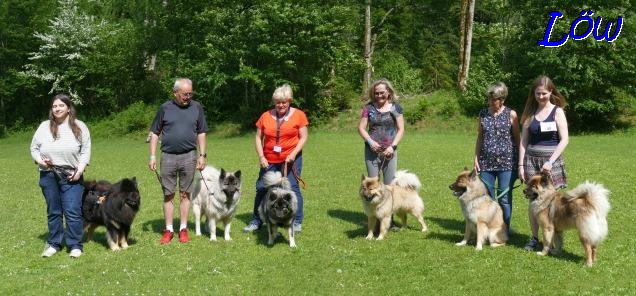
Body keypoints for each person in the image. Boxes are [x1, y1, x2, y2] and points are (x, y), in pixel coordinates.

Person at [30, 94, 91, 258]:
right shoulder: (44, 126)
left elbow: (85, 151)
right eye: (54, 106)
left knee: (72, 211)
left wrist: (79, 170)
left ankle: (75, 245)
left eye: (61, 105)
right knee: (54, 211)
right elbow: (34, 148)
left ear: (68, 108)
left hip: (71, 174)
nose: (57, 108)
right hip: (48, 174)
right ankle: (54, 243)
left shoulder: (79, 127)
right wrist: (40, 161)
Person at [148, 78, 208, 244]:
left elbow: (202, 132)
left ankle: (183, 228)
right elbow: (154, 133)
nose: (188, 97)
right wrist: (152, 156)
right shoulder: (165, 108)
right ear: (175, 93)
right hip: (167, 156)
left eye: (190, 93)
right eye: (184, 94)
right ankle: (168, 230)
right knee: (168, 194)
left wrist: (202, 155)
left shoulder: (197, 107)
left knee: (185, 194)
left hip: (189, 156)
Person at [243, 84, 309, 234]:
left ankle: (296, 221)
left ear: (289, 101)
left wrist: (293, 154)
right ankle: (256, 220)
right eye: (278, 102)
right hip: (269, 159)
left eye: (284, 102)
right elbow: (258, 138)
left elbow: (304, 137)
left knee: (291, 187)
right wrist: (261, 157)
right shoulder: (265, 116)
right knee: (261, 188)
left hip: (291, 159)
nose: (280, 105)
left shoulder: (299, 115)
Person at [518, 75, 569, 251]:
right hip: (531, 161)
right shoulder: (529, 114)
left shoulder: (558, 112)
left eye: (544, 93)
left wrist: (550, 161)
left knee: (552, 204)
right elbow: (523, 142)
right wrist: (521, 165)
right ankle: (534, 238)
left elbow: (565, 140)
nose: (541, 97)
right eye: (538, 93)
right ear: (534, 94)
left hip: (551, 163)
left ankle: (554, 239)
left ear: (551, 92)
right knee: (533, 203)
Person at [473, 82, 520, 234]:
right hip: (486, 163)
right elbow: (480, 137)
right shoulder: (483, 114)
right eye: (489, 99)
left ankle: (504, 229)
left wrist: (520, 163)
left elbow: (517, 139)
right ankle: (488, 228)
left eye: (494, 99)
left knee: (504, 199)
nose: (491, 102)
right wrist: (476, 158)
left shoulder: (511, 114)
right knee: (487, 198)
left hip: (507, 163)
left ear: (502, 99)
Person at [358, 79, 404, 230]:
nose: (379, 95)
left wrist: (393, 146)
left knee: (390, 187)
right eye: (376, 93)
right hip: (371, 152)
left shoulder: (396, 107)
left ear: (389, 92)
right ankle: (375, 220)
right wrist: (371, 142)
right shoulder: (368, 108)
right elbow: (361, 128)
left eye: (382, 92)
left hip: (390, 152)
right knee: (372, 185)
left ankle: (389, 220)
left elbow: (401, 129)